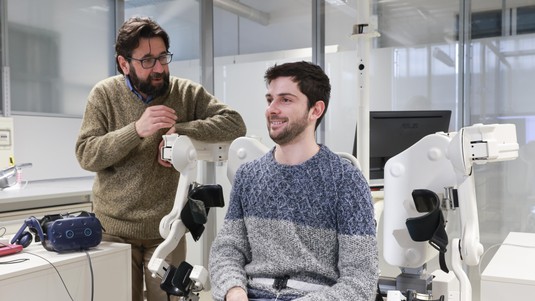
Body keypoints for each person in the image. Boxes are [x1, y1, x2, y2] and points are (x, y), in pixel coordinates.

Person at [75, 16, 246, 301]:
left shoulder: (186, 93)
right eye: (147, 60)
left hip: (166, 232)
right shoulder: (103, 95)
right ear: (123, 63)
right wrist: (136, 130)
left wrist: (180, 131)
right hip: (113, 232)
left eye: (163, 57)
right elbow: (86, 153)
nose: (158, 68)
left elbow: (234, 123)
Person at [209, 61, 379, 301]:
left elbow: (360, 281)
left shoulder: (346, 181)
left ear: (315, 110)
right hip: (251, 294)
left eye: (285, 100)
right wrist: (233, 290)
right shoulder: (248, 176)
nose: (272, 109)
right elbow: (227, 250)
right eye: (270, 100)